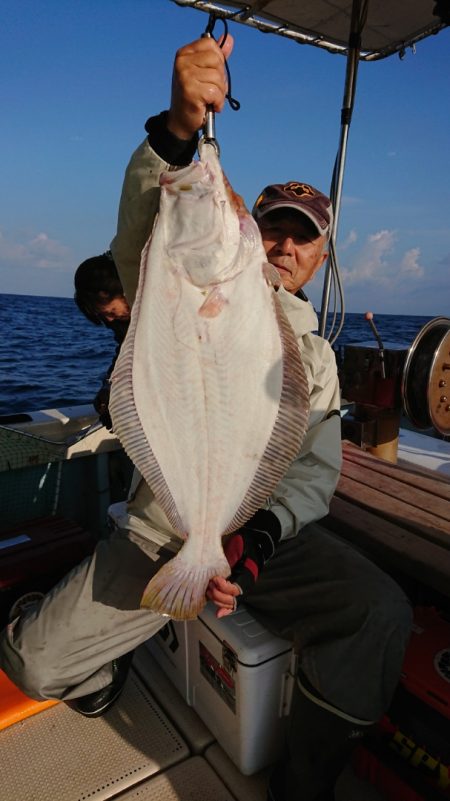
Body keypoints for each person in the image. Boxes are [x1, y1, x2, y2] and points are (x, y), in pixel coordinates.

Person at [0, 35, 412, 801]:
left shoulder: (317, 359)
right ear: (249, 231)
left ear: (323, 255)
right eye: (272, 226)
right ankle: (113, 661)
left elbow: (313, 475)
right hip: (168, 527)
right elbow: (142, 228)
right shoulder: (172, 274)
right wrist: (179, 129)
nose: (285, 243)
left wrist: (249, 544)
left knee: (378, 609)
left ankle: (303, 783)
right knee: (33, 663)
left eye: (304, 234)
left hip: (260, 540)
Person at [74, 252, 131, 429]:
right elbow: (125, 354)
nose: (111, 320)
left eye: (111, 312)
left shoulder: (157, 305)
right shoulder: (121, 323)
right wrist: (109, 388)